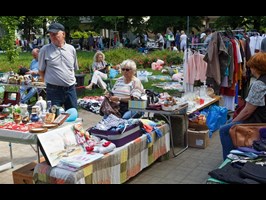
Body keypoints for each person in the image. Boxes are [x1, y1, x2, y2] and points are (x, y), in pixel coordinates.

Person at [219, 52, 266, 160]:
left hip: (258, 120)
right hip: (261, 116)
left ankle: (228, 159)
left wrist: (234, 121)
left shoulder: (259, 84)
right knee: (229, 122)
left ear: (256, 68)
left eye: (252, 66)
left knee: (225, 130)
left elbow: (247, 111)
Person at [38, 22, 79, 110]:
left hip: (70, 89)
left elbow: (73, 69)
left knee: (73, 116)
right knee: (54, 118)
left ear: (63, 34)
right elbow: (41, 70)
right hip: (53, 91)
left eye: (55, 34)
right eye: (51, 34)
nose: (52, 36)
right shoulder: (44, 50)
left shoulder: (71, 49)